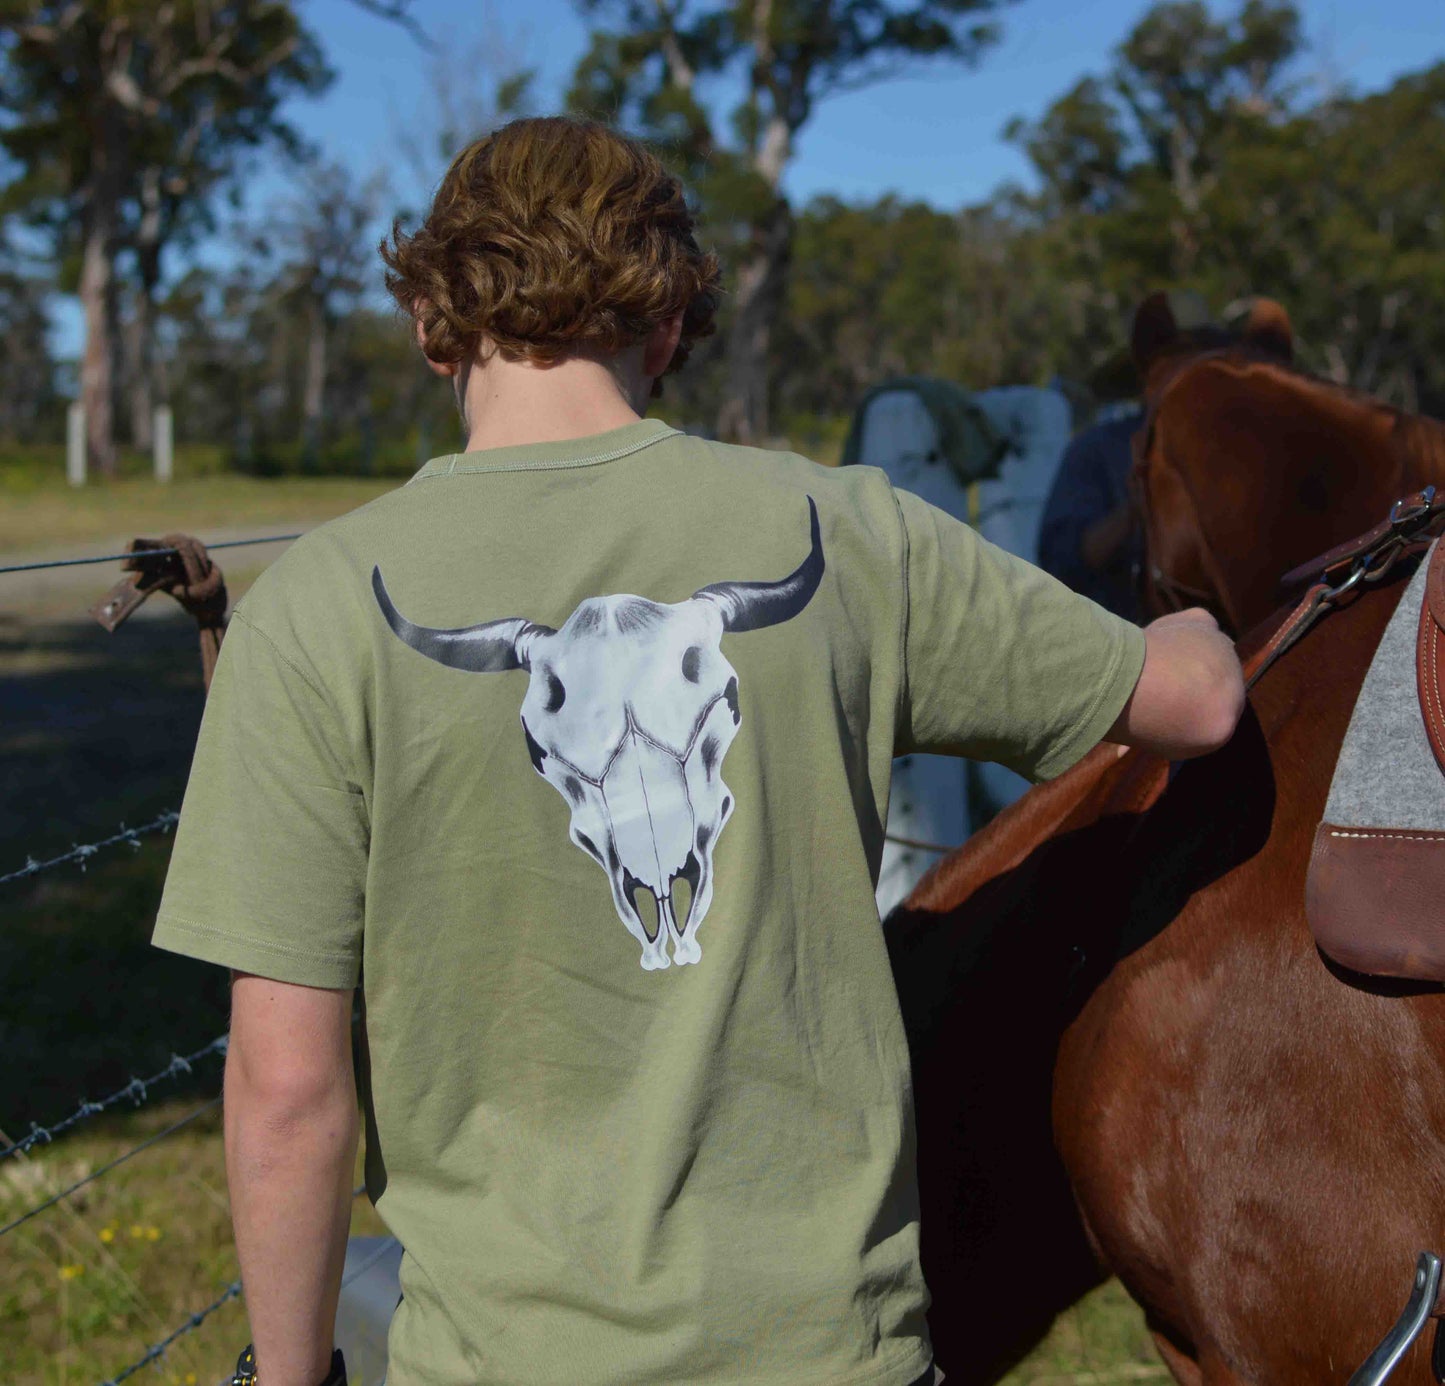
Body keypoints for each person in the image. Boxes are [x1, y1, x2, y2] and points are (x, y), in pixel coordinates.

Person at [152, 117, 1244, 1386]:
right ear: (668, 324)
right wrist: (1206, 626)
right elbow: (1192, 706)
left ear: (426, 320)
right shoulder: (844, 532)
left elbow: (285, 1093)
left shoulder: (315, 610)